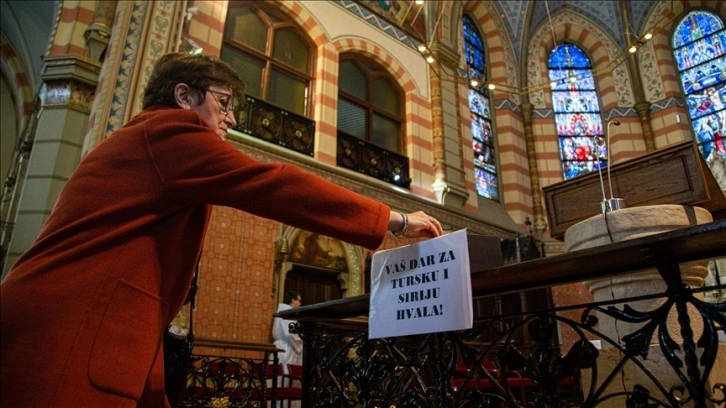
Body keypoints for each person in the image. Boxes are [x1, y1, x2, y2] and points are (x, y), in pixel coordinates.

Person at [0, 52, 444, 408]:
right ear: (183, 96)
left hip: (83, 318)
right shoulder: (171, 131)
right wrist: (395, 219)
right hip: (68, 328)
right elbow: (275, 185)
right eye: (224, 102)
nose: (231, 118)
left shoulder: (146, 140)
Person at [272, 291, 303, 380]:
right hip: (287, 348)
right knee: (286, 377)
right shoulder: (288, 313)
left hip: (281, 347)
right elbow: (290, 334)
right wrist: (303, 341)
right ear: (293, 300)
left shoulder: (282, 311)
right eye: (299, 301)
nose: (300, 304)